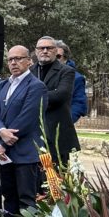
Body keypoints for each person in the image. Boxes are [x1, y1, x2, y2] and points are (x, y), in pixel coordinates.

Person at [0, 45, 47, 217]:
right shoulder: (2, 85)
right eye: (11, 59)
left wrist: (4, 143)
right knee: (9, 197)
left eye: (19, 59)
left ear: (29, 61)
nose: (14, 62)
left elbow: (27, 118)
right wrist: (0, 130)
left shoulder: (36, 86)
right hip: (5, 154)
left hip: (24, 153)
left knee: (26, 200)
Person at [30, 35, 80, 169]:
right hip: (33, 136)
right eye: (41, 48)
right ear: (36, 51)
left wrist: (31, 98)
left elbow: (61, 95)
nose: (45, 51)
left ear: (55, 50)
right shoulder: (29, 72)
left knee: (56, 182)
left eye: (49, 48)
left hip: (57, 135)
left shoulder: (66, 71)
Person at [56, 40, 88, 124]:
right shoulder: (38, 73)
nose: (55, 59)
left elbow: (79, 104)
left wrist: (65, 122)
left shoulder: (76, 78)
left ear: (65, 58)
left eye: (58, 56)